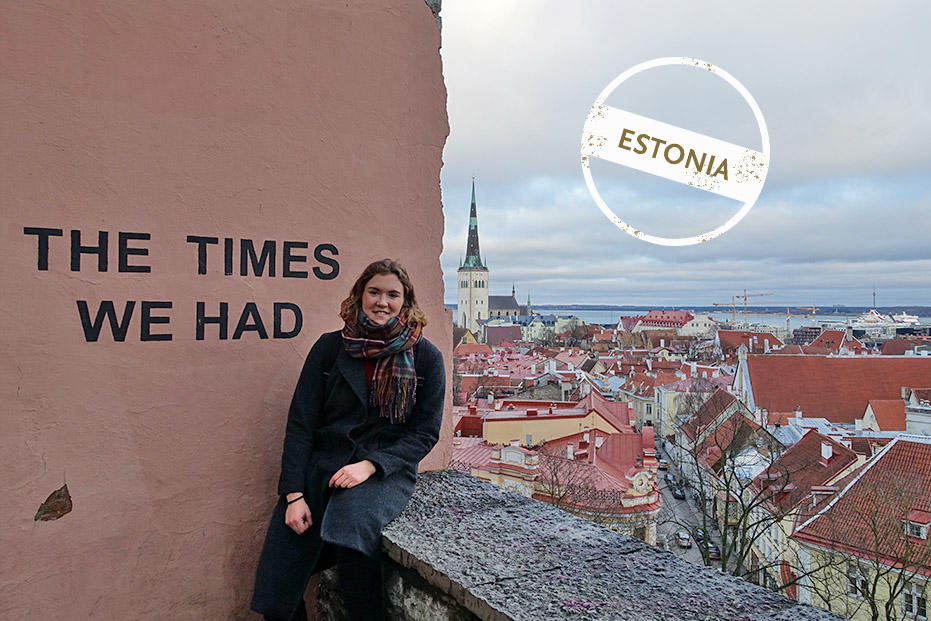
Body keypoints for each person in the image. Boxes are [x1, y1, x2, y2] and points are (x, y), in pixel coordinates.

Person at [250, 259, 445, 621]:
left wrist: (370, 466)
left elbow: (424, 434)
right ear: (360, 295)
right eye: (374, 292)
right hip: (322, 467)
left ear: (406, 301)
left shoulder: (425, 357)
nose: (382, 301)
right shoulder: (329, 348)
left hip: (385, 471)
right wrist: (293, 494)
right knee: (280, 577)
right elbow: (301, 425)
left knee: (353, 531)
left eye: (392, 294)